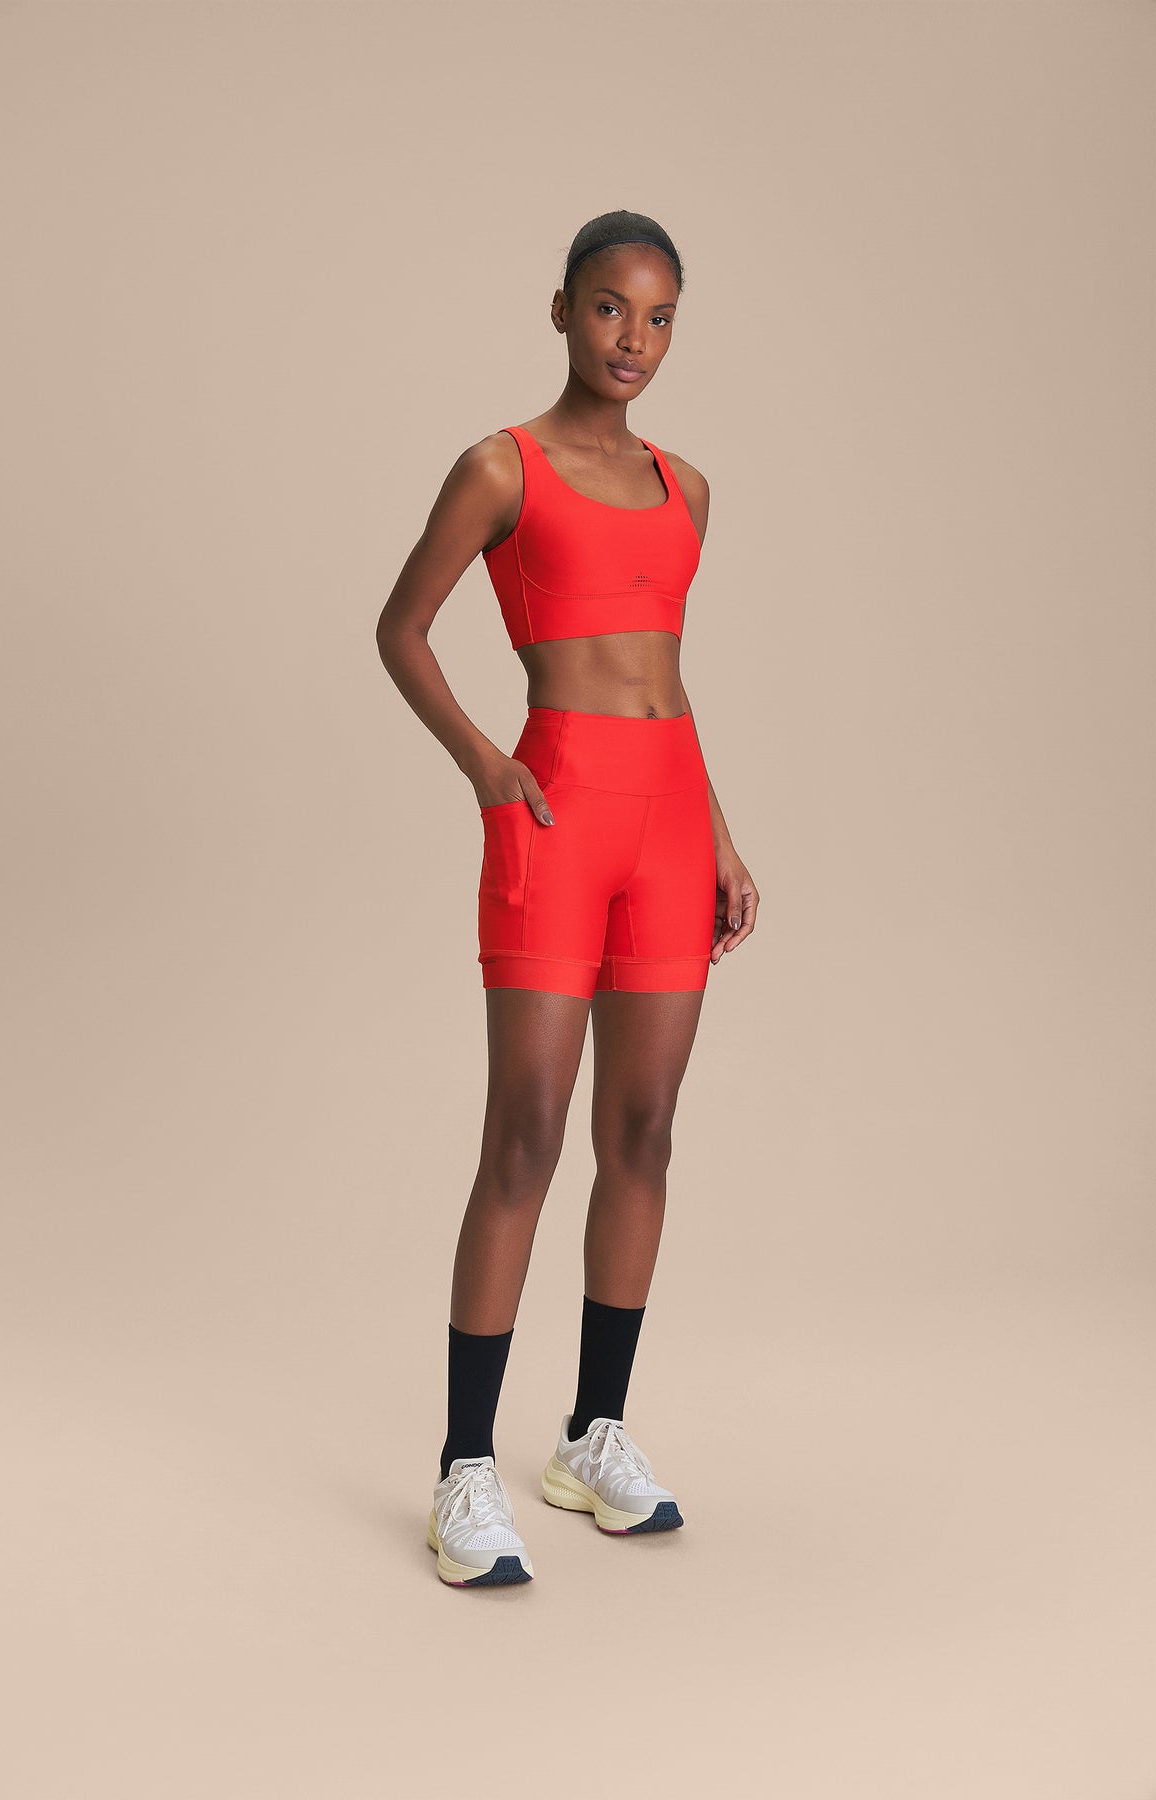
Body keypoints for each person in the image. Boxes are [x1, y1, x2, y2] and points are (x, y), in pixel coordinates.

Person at [376, 209, 759, 1587]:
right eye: (609, 308)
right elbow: (401, 629)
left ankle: (594, 1435)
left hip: (668, 824)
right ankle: (462, 1470)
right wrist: (489, 767)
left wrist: (719, 837)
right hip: (558, 812)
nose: (633, 340)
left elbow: (666, 677)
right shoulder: (503, 467)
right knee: (527, 1136)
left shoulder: (687, 487)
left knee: (643, 1133)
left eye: (659, 318)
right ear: (561, 311)